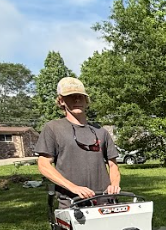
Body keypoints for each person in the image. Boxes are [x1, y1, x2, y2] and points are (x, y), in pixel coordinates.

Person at [36, 77, 121, 206]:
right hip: (72, 203)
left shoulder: (101, 131)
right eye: (71, 96)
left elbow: (113, 165)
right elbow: (43, 165)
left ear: (86, 101)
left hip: (105, 202)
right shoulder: (53, 128)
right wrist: (73, 187)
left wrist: (114, 185)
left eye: (80, 96)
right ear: (61, 101)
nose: (77, 100)